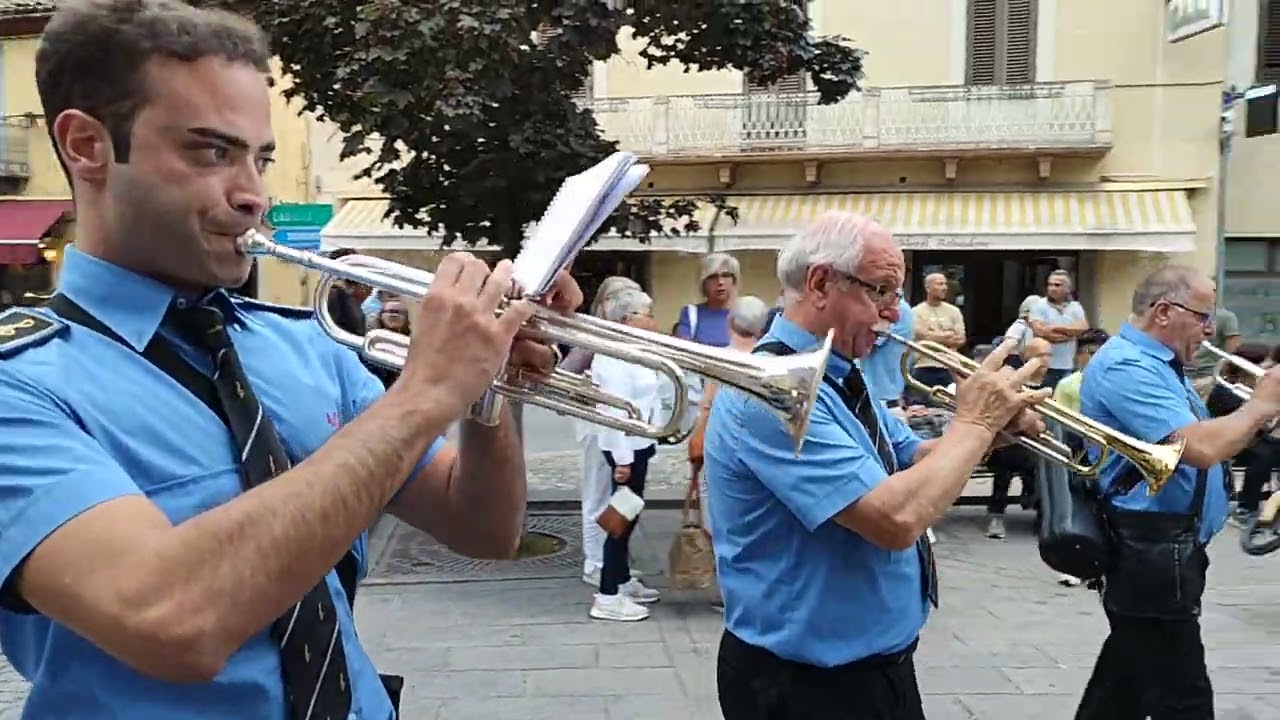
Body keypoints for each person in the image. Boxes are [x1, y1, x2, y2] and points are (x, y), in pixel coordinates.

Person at [0, 3, 583, 719]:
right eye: (211, 153)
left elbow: (483, 528)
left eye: (261, 159)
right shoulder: (19, 383)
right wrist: (427, 390)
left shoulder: (306, 345)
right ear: (88, 145)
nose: (253, 195)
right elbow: (171, 619)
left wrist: (490, 387)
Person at [704, 210, 1047, 720]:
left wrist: (993, 432)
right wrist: (974, 423)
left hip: (870, 670)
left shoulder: (838, 373)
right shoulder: (772, 391)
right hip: (807, 687)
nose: (895, 312)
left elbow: (914, 457)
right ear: (821, 283)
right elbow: (895, 519)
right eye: (881, 291)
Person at [1072, 266, 1280, 720]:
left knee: (1122, 688)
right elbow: (1198, 448)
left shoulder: (1159, 364)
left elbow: (1206, 437)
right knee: (1184, 700)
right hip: (1150, 550)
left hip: (1169, 547)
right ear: (1163, 312)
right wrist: (1261, 404)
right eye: (1203, 317)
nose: (1210, 330)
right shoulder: (1126, 366)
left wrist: (1256, 418)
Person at [688, 295, 773, 613]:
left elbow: (707, 406)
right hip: (759, 448)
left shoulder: (721, 360)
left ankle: (731, 591)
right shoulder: (770, 360)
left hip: (722, 448)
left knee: (720, 520)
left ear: (729, 323)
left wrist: (696, 440)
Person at [561, 275, 643, 588]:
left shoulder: (627, 336)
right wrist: (588, 392)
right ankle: (595, 563)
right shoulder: (595, 336)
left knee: (620, 498)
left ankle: (614, 565)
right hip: (598, 427)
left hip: (622, 429)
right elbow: (565, 375)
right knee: (598, 494)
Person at [588, 287, 664, 621]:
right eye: (647, 315)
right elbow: (613, 412)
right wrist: (622, 460)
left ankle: (620, 580)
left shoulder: (631, 350)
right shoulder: (615, 359)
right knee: (620, 520)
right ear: (628, 319)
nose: (653, 321)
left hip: (637, 444)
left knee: (630, 515)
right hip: (626, 449)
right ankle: (607, 595)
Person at [1028, 270, 1088, 389]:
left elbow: (1083, 328)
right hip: (1043, 367)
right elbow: (1040, 331)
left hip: (1068, 365)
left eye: (1057, 285)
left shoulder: (1075, 307)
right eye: (1050, 284)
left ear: (1067, 288)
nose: (1052, 288)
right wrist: (1071, 335)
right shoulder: (1039, 305)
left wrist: (1053, 327)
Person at [862, 294, 913, 409]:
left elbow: (867, 341)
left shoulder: (898, 309)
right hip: (881, 394)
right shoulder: (901, 308)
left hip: (883, 395)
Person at [1187, 306, 1243, 400]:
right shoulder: (1179, 314)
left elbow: (1233, 351)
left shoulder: (1225, 316)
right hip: (1179, 376)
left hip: (1209, 378)